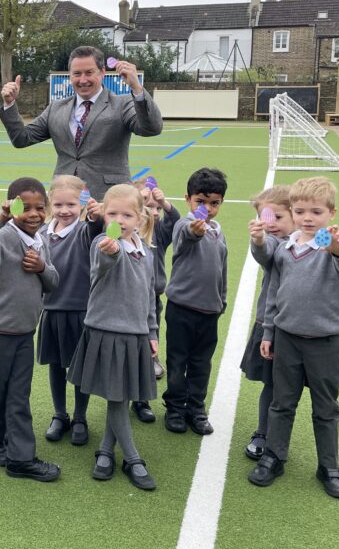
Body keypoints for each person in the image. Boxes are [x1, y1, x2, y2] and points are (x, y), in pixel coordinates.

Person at [249, 177, 339, 499]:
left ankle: (329, 466)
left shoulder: (329, 243)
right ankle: (274, 456)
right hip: (286, 338)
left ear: (331, 212)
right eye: (299, 211)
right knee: (282, 403)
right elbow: (274, 294)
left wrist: (337, 247)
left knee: (325, 407)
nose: (307, 218)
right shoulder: (285, 247)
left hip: (324, 343)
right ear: (292, 213)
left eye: (316, 211)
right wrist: (269, 331)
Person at [0, 177, 60, 482]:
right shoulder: (6, 235)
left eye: (39, 207)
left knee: (18, 394)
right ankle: (3, 447)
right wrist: (1, 219)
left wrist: (42, 268)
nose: (33, 214)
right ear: (13, 206)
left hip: (24, 333)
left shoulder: (41, 239)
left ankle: (13, 449)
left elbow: (54, 281)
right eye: (25, 207)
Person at [69, 184, 159, 490]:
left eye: (127, 214)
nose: (119, 219)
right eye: (112, 213)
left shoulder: (146, 252)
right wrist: (109, 253)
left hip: (135, 334)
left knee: (119, 396)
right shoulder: (102, 244)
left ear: (140, 218)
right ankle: (132, 458)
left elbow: (149, 296)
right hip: (105, 331)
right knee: (118, 397)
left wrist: (152, 331)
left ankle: (106, 452)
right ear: (103, 214)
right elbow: (101, 266)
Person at [0, 45, 163, 192]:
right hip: (64, 198)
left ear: (102, 72)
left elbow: (152, 128)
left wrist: (137, 88)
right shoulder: (56, 108)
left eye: (89, 73)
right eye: (77, 74)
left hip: (108, 199)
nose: (83, 80)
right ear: (70, 75)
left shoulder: (122, 103)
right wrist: (9, 104)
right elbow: (21, 139)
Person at [37, 175, 102, 446]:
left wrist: (96, 219)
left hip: (80, 312)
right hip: (51, 311)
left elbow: (95, 231)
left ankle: (79, 417)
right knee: (55, 366)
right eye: (59, 204)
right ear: (50, 204)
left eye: (72, 205)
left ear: (82, 205)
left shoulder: (83, 230)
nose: (65, 211)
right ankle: (60, 414)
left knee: (80, 369)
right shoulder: (41, 234)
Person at [162, 168, 228, 436]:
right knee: (178, 361)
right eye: (201, 202)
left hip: (209, 310)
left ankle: (196, 408)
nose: (207, 209)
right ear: (188, 199)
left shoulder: (218, 232)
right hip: (181, 309)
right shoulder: (185, 226)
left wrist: (221, 300)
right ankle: (175, 407)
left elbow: (221, 269)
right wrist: (195, 229)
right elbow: (186, 236)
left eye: (214, 203)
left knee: (202, 363)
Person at [240, 184, 293, 460]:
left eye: (277, 218)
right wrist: (259, 239)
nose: (270, 225)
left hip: (298, 329)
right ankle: (262, 430)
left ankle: (280, 434)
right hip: (270, 324)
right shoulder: (272, 243)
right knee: (270, 384)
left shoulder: (304, 244)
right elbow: (265, 253)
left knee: (288, 388)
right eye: (265, 219)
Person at [130, 176, 181, 423]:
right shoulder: (124, 232)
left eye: (157, 208)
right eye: (146, 206)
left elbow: (179, 223)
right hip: (127, 304)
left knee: (149, 346)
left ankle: (142, 400)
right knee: (130, 352)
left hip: (152, 302)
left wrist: (166, 205)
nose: (154, 212)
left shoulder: (159, 231)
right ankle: (127, 394)